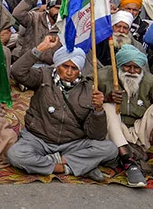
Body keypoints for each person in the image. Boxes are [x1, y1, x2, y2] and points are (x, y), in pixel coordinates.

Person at [7, 37, 118, 181]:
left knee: (110, 149)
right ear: (57, 65)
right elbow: (16, 71)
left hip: (72, 143)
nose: (69, 72)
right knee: (16, 154)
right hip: (39, 139)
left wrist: (98, 111)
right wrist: (40, 48)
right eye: (65, 66)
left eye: (74, 68)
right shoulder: (43, 76)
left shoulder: (89, 89)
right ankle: (69, 167)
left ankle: (56, 163)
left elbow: (96, 135)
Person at [99, 45, 153, 187]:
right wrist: (104, 98)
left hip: (138, 132)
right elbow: (82, 96)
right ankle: (128, 163)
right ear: (120, 65)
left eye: (137, 68)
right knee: (107, 107)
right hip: (113, 132)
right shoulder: (103, 76)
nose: (132, 72)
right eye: (128, 67)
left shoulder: (149, 81)